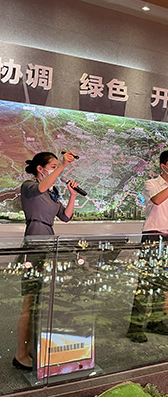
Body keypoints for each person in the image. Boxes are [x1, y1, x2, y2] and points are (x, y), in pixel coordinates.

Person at [15, 151, 79, 370]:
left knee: (40, 302)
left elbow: (65, 217)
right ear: (40, 169)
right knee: (29, 301)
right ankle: (20, 354)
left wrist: (72, 196)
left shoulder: (52, 192)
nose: (55, 170)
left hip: (49, 245)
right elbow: (41, 188)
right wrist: (62, 166)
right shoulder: (29, 187)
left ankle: (34, 348)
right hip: (34, 244)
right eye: (51, 166)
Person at [126, 150, 168, 343]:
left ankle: (155, 321)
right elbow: (157, 200)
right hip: (153, 237)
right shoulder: (151, 183)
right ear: (163, 166)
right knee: (146, 283)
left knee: (163, 283)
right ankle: (135, 327)